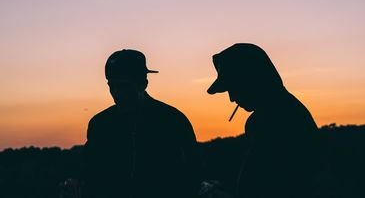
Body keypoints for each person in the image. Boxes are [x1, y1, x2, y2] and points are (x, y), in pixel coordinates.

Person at [207, 43, 321, 198]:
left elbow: (264, 187)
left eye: (233, 87)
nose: (232, 98)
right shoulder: (288, 109)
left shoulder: (269, 119)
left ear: (251, 80)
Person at [84, 49, 199, 198]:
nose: (116, 93)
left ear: (143, 84)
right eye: (111, 86)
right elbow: (89, 173)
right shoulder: (100, 124)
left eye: (123, 86)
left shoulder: (172, 121)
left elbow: (194, 173)